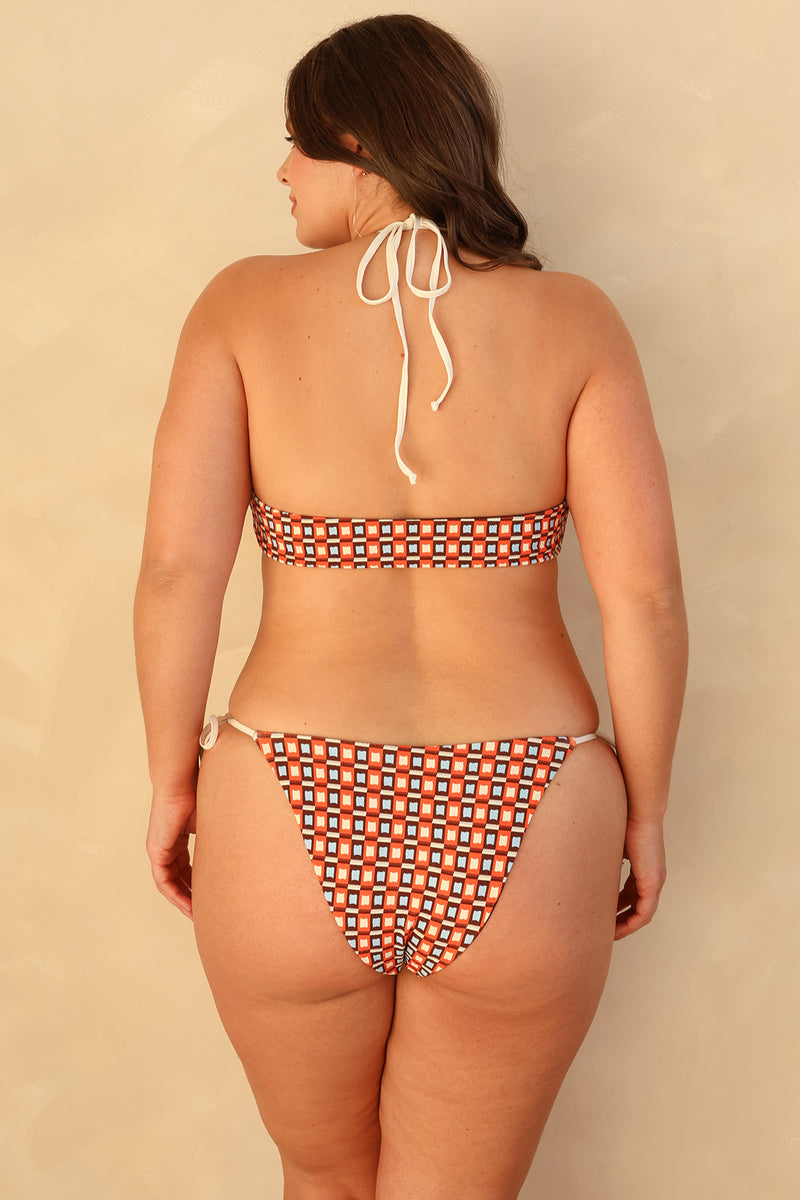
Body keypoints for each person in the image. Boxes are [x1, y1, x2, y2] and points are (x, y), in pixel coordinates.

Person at [134, 13, 688, 1199]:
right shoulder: (573, 318)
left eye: (296, 141)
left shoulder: (239, 306)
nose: (281, 170)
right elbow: (641, 598)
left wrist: (174, 783)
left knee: (324, 1183)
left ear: (353, 138)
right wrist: (644, 812)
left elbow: (180, 572)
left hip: (288, 793)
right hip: (530, 797)